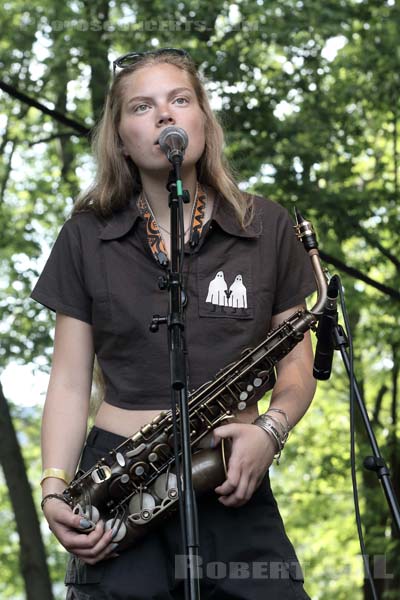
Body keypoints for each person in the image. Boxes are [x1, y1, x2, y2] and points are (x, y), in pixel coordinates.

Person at [32, 48, 317, 599]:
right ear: (120, 138)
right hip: (118, 481)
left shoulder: (269, 225)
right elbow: (68, 382)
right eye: (142, 106)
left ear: (203, 122)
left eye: (179, 100)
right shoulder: (85, 236)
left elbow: (296, 364)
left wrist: (270, 432)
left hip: (232, 470)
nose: (164, 115)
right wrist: (53, 491)